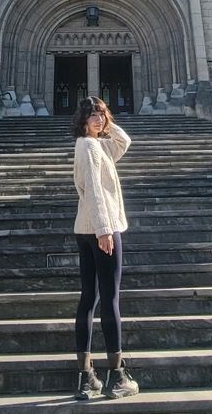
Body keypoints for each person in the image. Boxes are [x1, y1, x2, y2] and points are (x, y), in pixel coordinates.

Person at [71, 96, 139, 400]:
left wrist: (107, 124)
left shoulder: (97, 146)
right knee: (110, 299)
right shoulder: (88, 146)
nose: (98, 119)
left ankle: (86, 377)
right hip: (101, 228)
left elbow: (123, 142)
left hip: (86, 228)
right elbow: (95, 189)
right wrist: (104, 230)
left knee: (89, 298)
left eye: (101, 114)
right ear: (82, 121)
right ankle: (116, 374)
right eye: (92, 115)